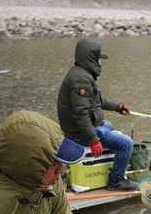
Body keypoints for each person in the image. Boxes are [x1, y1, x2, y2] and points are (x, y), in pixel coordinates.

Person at [57, 38, 138, 191]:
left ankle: (112, 164)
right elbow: (80, 114)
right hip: (78, 133)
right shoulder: (81, 80)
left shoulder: (81, 74)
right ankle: (117, 181)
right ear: (91, 58)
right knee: (127, 144)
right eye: (98, 59)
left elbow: (97, 101)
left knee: (108, 125)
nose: (100, 63)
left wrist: (118, 107)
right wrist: (94, 140)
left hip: (85, 127)